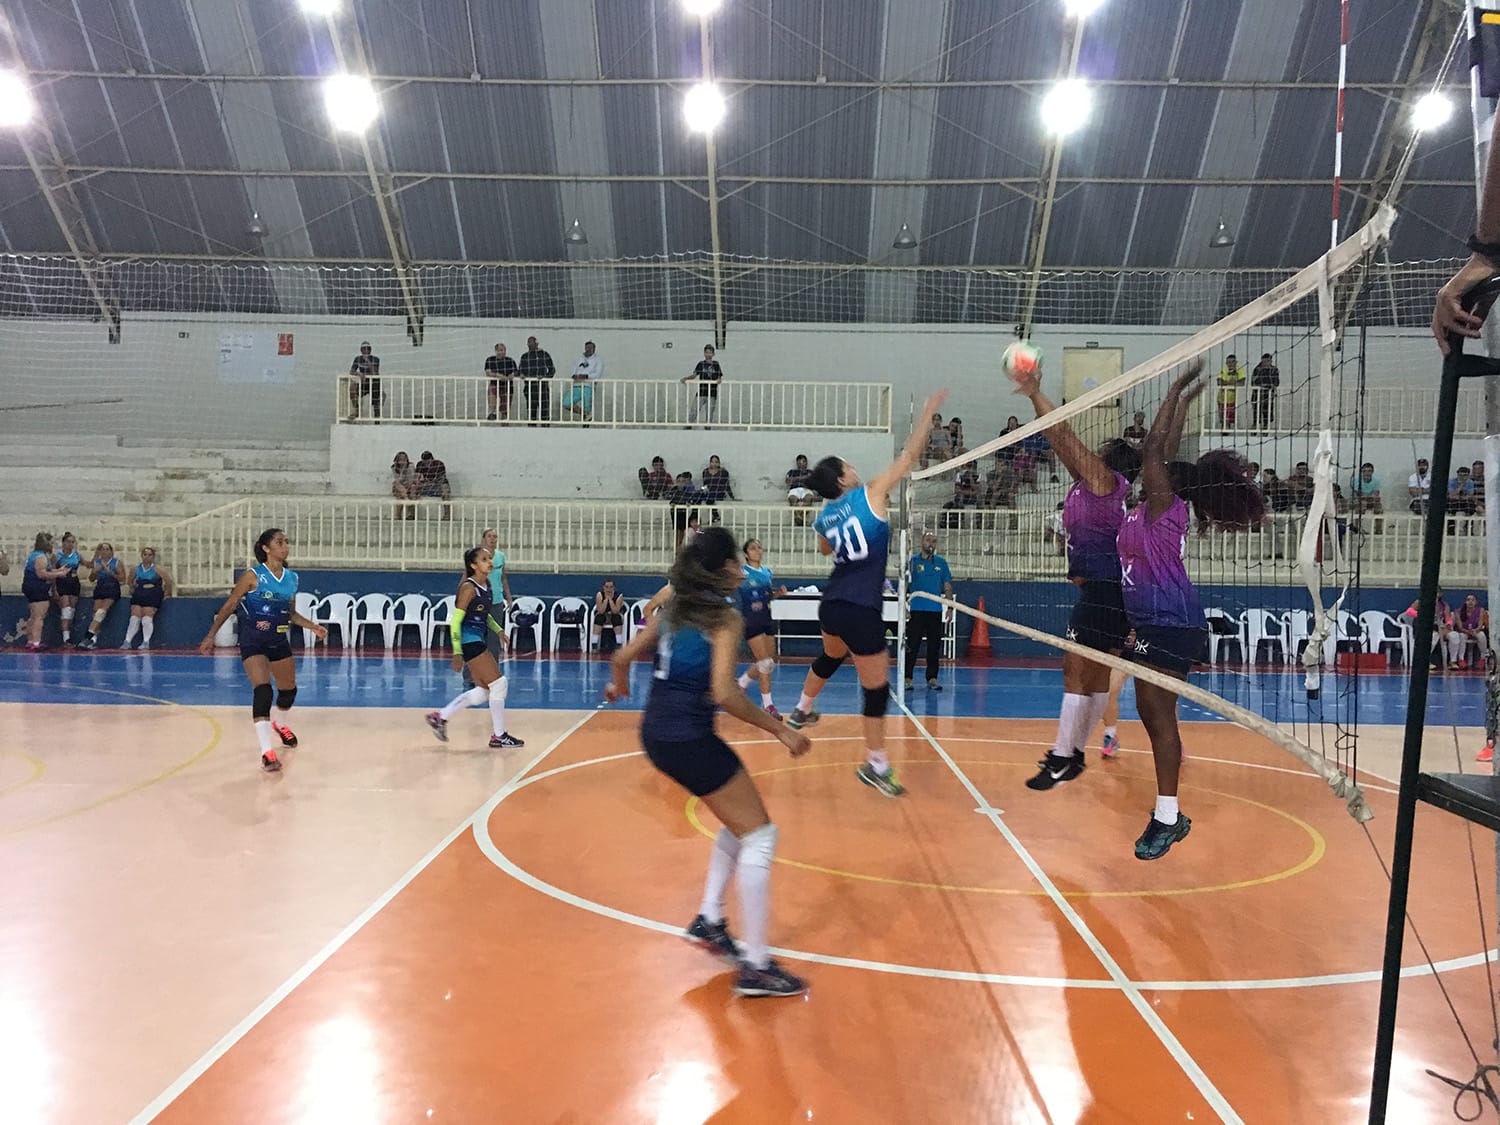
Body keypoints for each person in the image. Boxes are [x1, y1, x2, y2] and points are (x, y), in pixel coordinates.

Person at [604, 528, 812, 998]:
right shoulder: (724, 619)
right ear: (723, 570)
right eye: (736, 561)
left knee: (740, 820)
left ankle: (710, 919)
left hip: (657, 733)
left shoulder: (675, 609)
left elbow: (622, 656)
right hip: (688, 736)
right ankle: (756, 967)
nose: (742, 568)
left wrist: (620, 686)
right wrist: (780, 730)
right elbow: (724, 693)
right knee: (760, 835)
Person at [1118, 364, 1265, 859]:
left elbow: (1154, 451)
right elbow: (1165, 453)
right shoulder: (1142, 513)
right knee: (1151, 714)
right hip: (1149, 622)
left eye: (1157, 474)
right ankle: (1168, 813)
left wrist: (1175, 389)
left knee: (1158, 716)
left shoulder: (1166, 511)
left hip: (1172, 621)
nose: (1149, 473)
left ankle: (1168, 817)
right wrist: (1181, 406)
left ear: (1167, 486)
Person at [785, 388, 949, 799]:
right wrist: (928, 413)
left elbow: (826, 550)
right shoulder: (871, 493)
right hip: (860, 606)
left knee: (832, 656)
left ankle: (802, 710)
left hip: (831, 603)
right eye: (848, 465)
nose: (854, 467)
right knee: (876, 690)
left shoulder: (824, 517)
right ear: (843, 479)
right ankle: (876, 765)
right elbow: (909, 459)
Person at [1010, 360, 1142, 790]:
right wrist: (1034, 399)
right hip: (1110, 592)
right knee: (1097, 676)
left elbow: (1064, 434)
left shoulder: (1107, 482)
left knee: (1075, 671)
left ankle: (1065, 755)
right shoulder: (1090, 486)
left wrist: (1036, 392)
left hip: (1104, 590)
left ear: (1109, 463)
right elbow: (1059, 441)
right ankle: (1074, 755)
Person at [198, 529, 327, 773]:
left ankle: (280, 724)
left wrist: (313, 626)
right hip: (253, 641)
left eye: (286, 541)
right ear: (266, 548)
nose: (285, 546)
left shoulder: (292, 578)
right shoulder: (253, 576)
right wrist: (211, 634)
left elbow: (289, 614)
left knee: (288, 691)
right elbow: (230, 605)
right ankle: (267, 753)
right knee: (263, 690)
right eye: (279, 542)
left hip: (278, 640)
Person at [427, 546, 523, 749]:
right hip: (469, 642)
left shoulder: (487, 586)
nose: (490, 562)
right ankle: (499, 736)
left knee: (484, 691)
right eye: (484, 559)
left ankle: (440, 717)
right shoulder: (468, 588)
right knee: (499, 683)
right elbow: (456, 621)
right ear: (473, 565)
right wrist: (457, 652)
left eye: (490, 558)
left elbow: (484, 615)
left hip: (478, 639)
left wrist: (498, 630)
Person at [735, 539, 787, 716]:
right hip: (751, 620)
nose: (757, 551)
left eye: (759, 547)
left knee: (769, 662)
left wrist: (777, 594)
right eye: (753, 548)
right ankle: (768, 705)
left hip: (766, 619)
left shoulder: (767, 572)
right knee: (765, 662)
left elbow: (766, 596)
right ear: (746, 554)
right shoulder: (742, 573)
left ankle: (742, 682)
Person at [463, 529, 514, 690]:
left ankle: (492, 677)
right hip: (477, 602)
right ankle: (469, 677)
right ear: (483, 539)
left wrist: (508, 597)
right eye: (489, 536)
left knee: (493, 642)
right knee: (474, 640)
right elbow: (466, 576)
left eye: (495, 537)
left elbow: (503, 578)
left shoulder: (500, 557)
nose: (493, 539)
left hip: (496, 601)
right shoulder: (476, 556)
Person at [904, 532, 953, 691]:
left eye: (934, 541)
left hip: (935, 611)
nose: (931, 543)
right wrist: (903, 607)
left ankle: (932, 678)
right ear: (922, 542)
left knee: (934, 647)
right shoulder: (913, 562)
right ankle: (907, 678)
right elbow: (904, 585)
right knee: (912, 645)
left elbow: (947, 586)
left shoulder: (941, 563)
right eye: (928, 540)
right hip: (917, 610)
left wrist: (950, 607)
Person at [15, 532, 68, 651]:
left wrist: (59, 570)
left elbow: (45, 570)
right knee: (39, 616)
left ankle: (30, 641)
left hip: (31, 587)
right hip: (38, 587)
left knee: (33, 615)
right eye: (51, 542)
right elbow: (41, 574)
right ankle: (36, 642)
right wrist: (59, 574)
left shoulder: (35, 555)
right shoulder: (41, 557)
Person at [122, 547, 172, 650]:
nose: (147, 557)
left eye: (150, 555)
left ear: (153, 557)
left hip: (153, 594)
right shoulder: (135, 569)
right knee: (134, 617)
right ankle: (127, 641)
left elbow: (168, 582)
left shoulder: (158, 569)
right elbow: (129, 581)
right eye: (145, 554)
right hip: (139, 593)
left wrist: (166, 593)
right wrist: (132, 588)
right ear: (141, 556)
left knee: (147, 618)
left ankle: (146, 642)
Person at [77, 541, 123, 650]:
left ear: (111, 551)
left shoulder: (116, 562)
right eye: (102, 549)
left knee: (102, 611)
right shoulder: (97, 562)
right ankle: (93, 640)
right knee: (96, 613)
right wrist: (94, 572)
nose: (105, 551)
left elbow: (122, 579)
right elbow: (91, 579)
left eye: (107, 549)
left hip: (112, 587)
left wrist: (109, 572)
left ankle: (88, 636)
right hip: (100, 587)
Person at [683, 344, 724, 427]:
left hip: (712, 393)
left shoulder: (716, 364)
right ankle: (689, 425)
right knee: (694, 409)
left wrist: (719, 380)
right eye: (706, 352)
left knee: (710, 412)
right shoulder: (701, 364)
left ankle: (708, 426)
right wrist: (686, 378)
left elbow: (719, 376)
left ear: (713, 354)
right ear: (704, 353)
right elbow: (694, 375)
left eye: (710, 352)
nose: (708, 354)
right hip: (701, 391)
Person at [53, 532, 82, 646]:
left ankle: (68, 636)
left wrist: (97, 555)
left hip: (74, 584)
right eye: (68, 542)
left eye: (72, 542)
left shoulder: (76, 555)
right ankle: (66, 639)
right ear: (63, 543)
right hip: (62, 583)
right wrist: (54, 589)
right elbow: (52, 572)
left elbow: (88, 564)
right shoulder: (57, 556)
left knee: (71, 611)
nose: (70, 544)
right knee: (66, 610)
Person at [564, 340, 603, 422]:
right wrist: (575, 376)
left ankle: (586, 423)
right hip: (576, 385)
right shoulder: (579, 359)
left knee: (587, 406)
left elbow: (597, 374)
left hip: (588, 386)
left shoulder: (598, 360)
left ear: (594, 349)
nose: (588, 349)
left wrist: (586, 376)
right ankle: (584, 414)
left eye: (590, 348)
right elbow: (573, 371)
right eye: (587, 348)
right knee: (566, 403)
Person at [484, 343, 518, 421]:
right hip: (495, 384)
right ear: (496, 351)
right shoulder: (490, 360)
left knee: (505, 408)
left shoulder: (510, 361)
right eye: (500, 350)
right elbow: (488, 372)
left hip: (507, 386)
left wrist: (512, 375)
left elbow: (516, 372)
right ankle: (492, 412)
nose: (502, 352)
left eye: (503, 350)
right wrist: (497, 375)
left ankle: (504, 420)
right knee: (492, 392)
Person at [349, 341, 381, 420]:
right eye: (364, 349)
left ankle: (377, 418)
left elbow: (375, 373)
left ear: (370, 350)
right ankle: (357, 410)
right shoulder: (358, 359)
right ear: (361, 350)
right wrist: (359, 374)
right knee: (352, 388)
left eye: (368, 349)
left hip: (374, 383)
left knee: (375, 401)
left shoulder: (375, 359)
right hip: (364, 382)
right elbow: (351, 371)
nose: (366, 351)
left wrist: (368, 361)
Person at [1249, 353, 1280, 431]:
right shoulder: (1257, 369)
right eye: (1265, 361)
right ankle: (1255, 426)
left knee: (1267, 411)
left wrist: (1270, 386)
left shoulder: (1274, 370)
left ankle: (1266, 427)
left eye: (1268, 361)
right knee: (1257, 411)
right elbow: (1253, 382)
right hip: (1257, 394)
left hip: (1268, 395)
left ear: (1271, 361)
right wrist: (1263, 385)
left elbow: (1276, 382)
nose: (1266, 363)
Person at [594, 579, 626, 653]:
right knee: (599, 617)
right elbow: (600, 611)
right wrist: (605, 600)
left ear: (614, 587)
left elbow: (616, 611)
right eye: (606, 587)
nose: (609, 589)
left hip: (614, 614)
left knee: (616, 618)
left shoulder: (619, 596)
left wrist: (610, 600)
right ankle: (594, 644)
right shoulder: (599, 595)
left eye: (611, 587)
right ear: (603, 587)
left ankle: (619, 644)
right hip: (603, 615)